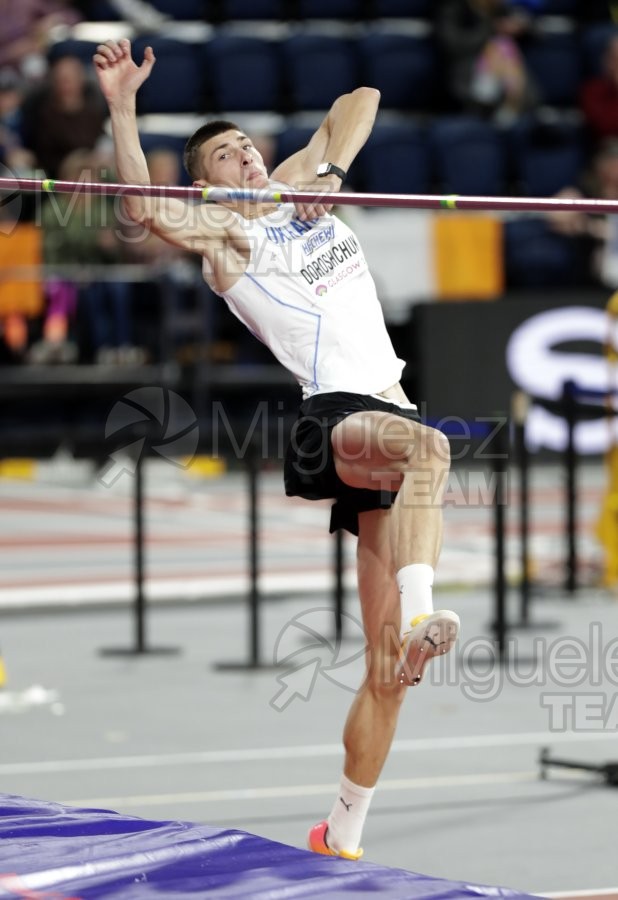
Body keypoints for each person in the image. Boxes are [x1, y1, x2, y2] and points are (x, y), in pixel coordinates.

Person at [93, 37, 460, 861]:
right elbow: (143, 206)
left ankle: (341, 834)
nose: (244, 156)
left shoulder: (296, 189)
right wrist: (123, 106)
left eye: (247, 144)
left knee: (387, 672)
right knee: (431, 452)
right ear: (209, 184)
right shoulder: (227, 238)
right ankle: (430, 610)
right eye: (224, 154)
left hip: (385, 416)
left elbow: (359, 97)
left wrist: (325, 178)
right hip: (334, 417)